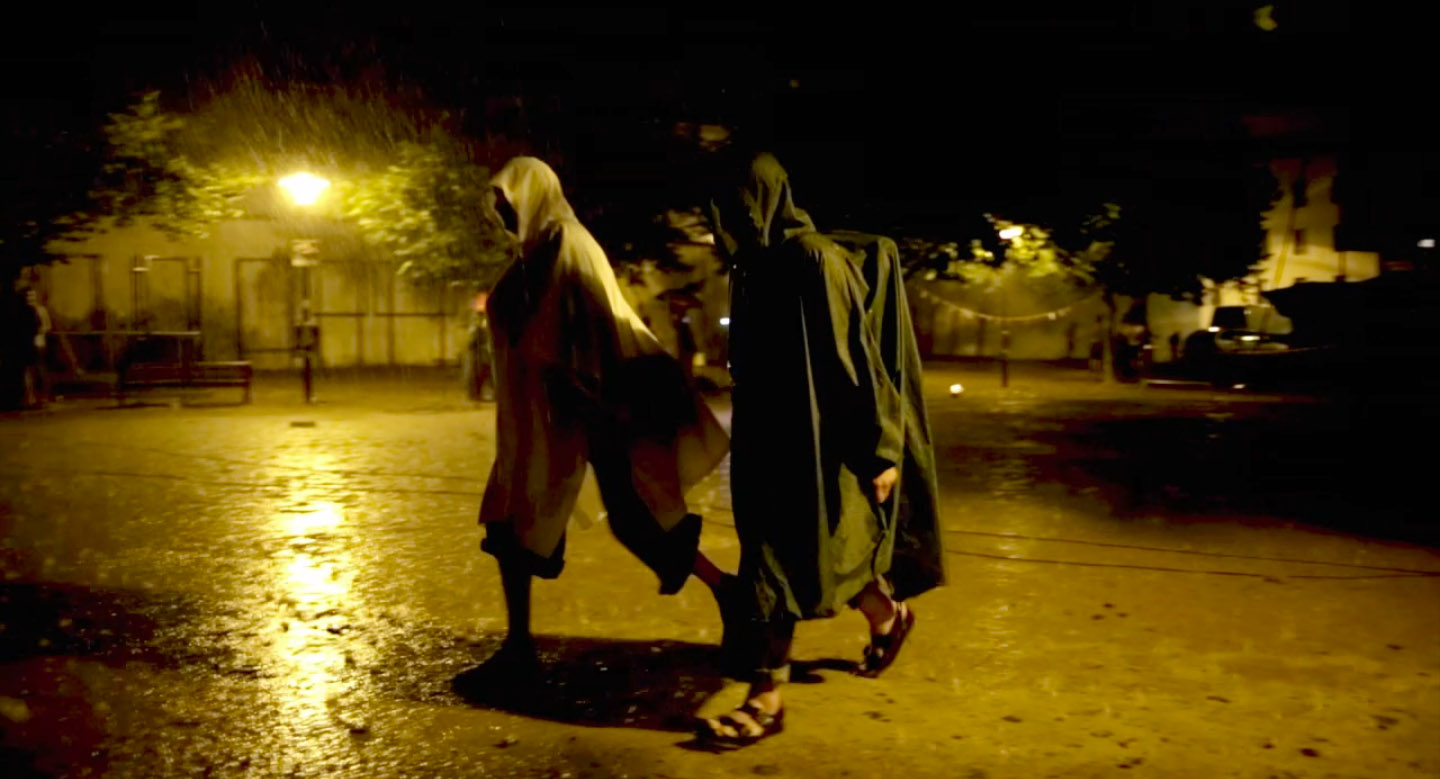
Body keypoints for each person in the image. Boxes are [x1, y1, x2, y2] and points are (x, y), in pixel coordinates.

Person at [698, 152, 944, 746]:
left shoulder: (813, 259)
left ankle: (765, 699)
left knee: (783, 565)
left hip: (819, 446)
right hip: (766, 443)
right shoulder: (751, 267)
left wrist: (879, 450)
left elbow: (852, 358)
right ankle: (888, 615)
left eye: (734, 205)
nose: (724, 220)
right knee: (802, 558)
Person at [476, 157, 734, 672]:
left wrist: (587, 397)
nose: (501, 212)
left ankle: (732, 593)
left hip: (588, 407)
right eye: (497, 203)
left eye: (507, 201)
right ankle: (518, 644)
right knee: (512, 518)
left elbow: (590, 325)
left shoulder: (568, 245)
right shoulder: (533, 256)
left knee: (636, 521)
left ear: (532, 196)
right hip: (541, 415)